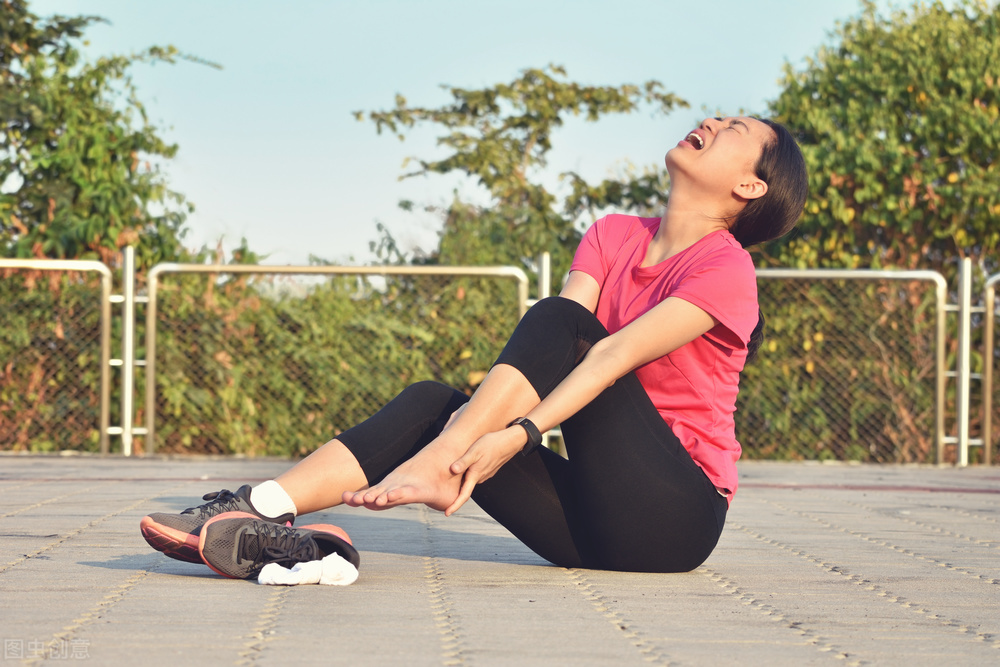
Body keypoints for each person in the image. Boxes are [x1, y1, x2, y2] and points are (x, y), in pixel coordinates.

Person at [141, 116, 808, 578]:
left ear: (749, 186)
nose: (713, 123)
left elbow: (602, 356)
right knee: (438, 401)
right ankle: (258, 510)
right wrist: (467, 427)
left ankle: (439, 458)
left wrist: (514, 436)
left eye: (735, 131)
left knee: (564, 327)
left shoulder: (724, 268)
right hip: (590, 526)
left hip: (677, 518)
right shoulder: (612, 234)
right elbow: (550, 355)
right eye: (718, 118)